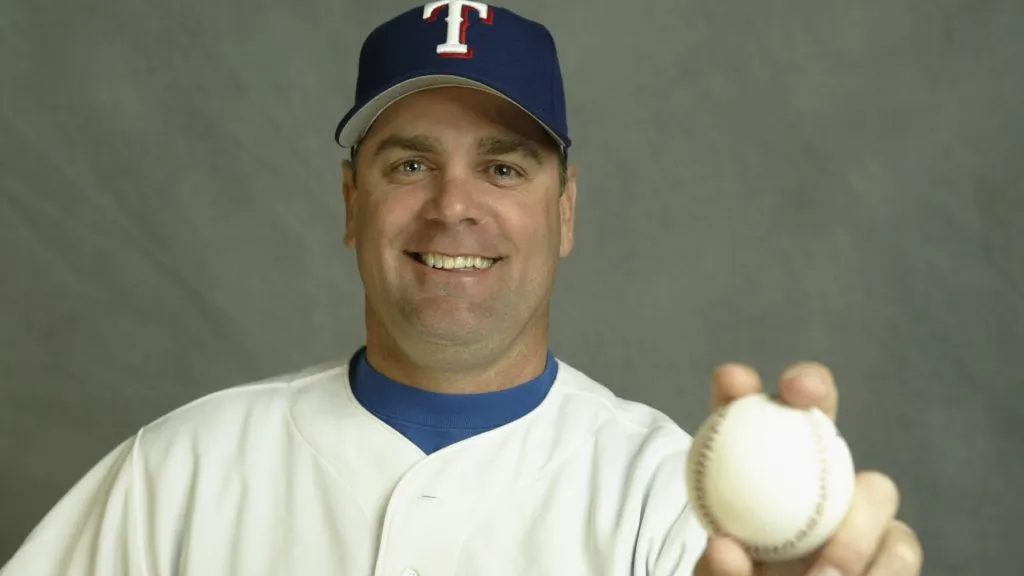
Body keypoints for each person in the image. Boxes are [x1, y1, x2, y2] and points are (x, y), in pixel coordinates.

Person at [2, 3, 923, 575]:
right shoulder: (179, 473)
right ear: (352, 203)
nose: (454, 207)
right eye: (409, 163)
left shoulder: (673, 501)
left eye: (505, 169)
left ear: (565, 212)